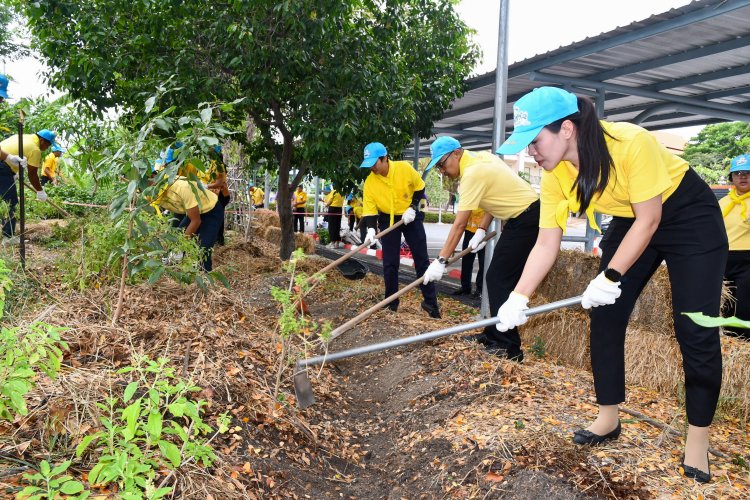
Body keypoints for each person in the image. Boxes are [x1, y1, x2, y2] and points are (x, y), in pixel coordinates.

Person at [495, 86, 727, 482]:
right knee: (604, 314)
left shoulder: (629, 142)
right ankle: (608, 417)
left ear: (567, 128)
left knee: (695, 325)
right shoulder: (555, 174)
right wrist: (517, 297)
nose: (530, 153)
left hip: (686, 215)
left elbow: (650, 219)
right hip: (630, 218)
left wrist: (611, 275)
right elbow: (547, 242)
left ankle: (698, 438)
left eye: (534, 142)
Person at [421, 136, 539, 359]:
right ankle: (494, 332)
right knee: (496, 277)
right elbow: (494, 195)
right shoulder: (482, 158)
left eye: (442, 164)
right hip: (521, 217)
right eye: (438, 167)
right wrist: (482, 229)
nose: (442, 171)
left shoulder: (472, 174)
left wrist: (441, 261)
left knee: (498, 278)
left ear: (456, 153)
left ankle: (509, 347)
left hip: (527, 219)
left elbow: (459, 225)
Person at [359, 142, 440, 318]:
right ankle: (391, 303)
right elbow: (370, 209)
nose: (372, 168)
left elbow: (420, 186)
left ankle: (431, 304)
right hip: (387, 219)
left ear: (385, 158)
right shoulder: (370, 182)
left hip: (410, 216)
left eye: (375, 163)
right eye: (369, 164)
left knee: (421, 260)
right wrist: (371, 230)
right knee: (389, 263)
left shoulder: (404, 168)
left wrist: (412, 207)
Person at [155, 175, 224, 272]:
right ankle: (173, 271)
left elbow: (196, 221)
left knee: (204, 248)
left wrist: (180, 247)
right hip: (193, 211)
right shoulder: (149, 191)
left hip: (211, 210)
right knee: (177, 236)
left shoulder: (181, 187)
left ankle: (205, 277)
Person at [0, 129, 55, 238]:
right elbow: (32, 175)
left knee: (6, 200)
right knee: (10, 202)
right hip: (2, 167)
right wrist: (40, 191)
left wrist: (13, 172)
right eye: (48, 145)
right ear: (42, 140)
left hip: (4, 165)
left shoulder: (23, 137)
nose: (46, 149)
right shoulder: (35, 149)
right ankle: (8, 237)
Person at [719, 154, 750, 340]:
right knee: (726, 304)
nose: (743, 177)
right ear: (732, 177)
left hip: (748, 260)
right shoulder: (723, 203)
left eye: (747, 172)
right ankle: (729, 342)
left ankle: (745, 344)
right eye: (738, 173)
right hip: (724, 260)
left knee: (746, 304)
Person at [453, 208, 486, 298]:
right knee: (466, 260)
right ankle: (465, 287)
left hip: (484, 232)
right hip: (470, 231)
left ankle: (480, 290)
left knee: (483, 263)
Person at [203, 145, 230, 245]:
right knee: (216, 216)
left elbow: (219, 183)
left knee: (218, 217)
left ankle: (219, 239)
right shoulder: (213, 164)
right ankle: (217, 238)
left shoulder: (220, 166)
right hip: (215, 194)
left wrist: (206, 186)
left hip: (221, 195)